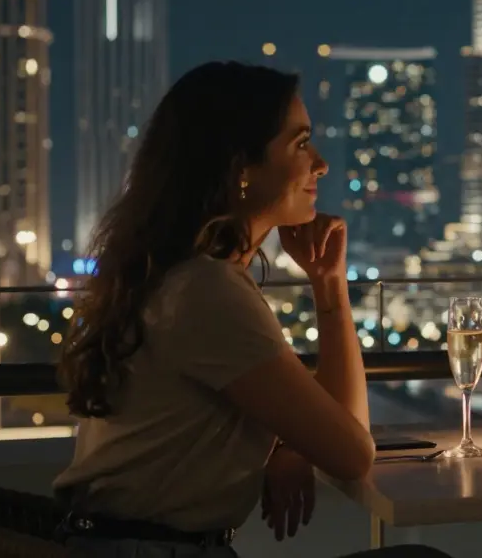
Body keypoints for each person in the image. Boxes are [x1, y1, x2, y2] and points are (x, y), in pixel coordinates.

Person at [53, 62, 450, 558]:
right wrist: (331, 291)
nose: (320, 163)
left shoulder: (180, 275)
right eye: (300, 143)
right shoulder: (205, 290)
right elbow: (352, 451)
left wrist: (291, 443)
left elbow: (327, 430)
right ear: (242, 168)